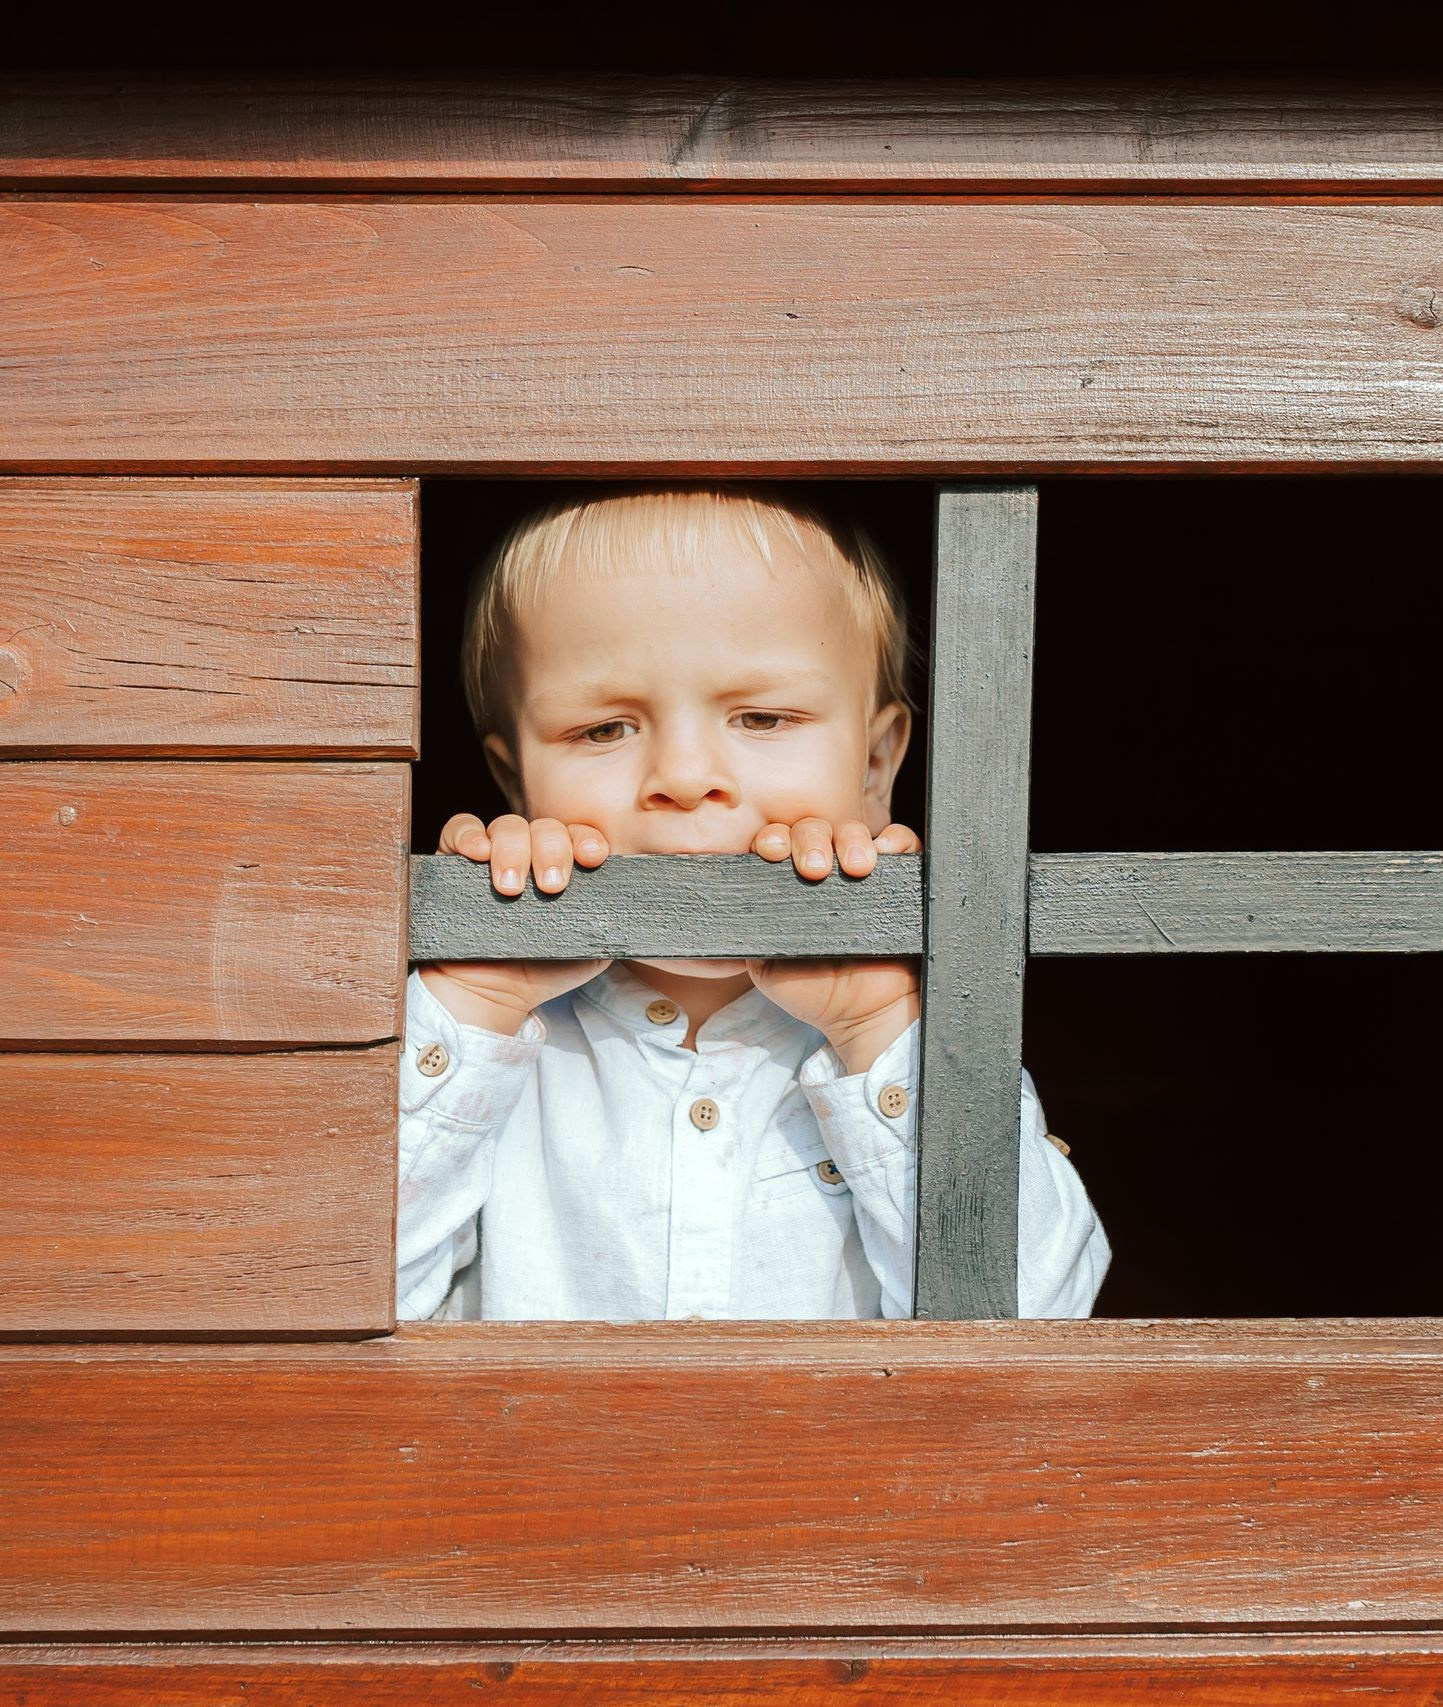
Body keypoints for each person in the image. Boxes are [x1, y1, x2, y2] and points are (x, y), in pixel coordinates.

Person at [398, 485, 1109, 1321]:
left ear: (877, 765)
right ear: (515, 779)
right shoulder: (500, 1043)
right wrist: (472, 1008)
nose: (686, 776)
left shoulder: (901, 1042)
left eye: (763, 716)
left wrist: (880, 1028)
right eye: (604, 730)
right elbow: (318, 1287)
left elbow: (1041, 1318)